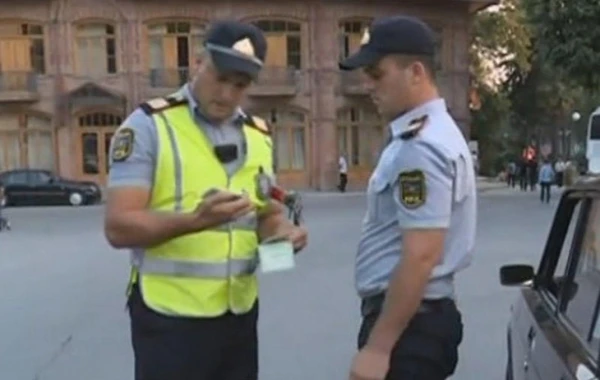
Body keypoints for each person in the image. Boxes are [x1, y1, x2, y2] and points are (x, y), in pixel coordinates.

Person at [103, 20, 308, 380]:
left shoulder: (259, 135)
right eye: (221, 77)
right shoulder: (148, 126)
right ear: (198, 63)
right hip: (170, 317)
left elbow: (267, 213)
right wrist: (195, 220)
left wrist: (283, 233)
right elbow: (119, 227)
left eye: (240, 85)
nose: (227, 94)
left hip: (239, 313)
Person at [338, 15, 476, 380]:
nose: (367, 84)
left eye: (377, 73)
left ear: (416, 72)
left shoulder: (421, 146)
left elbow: (421, 254)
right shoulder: (433, 133)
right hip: (419, 320)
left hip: (409, 330)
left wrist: (379, 347)